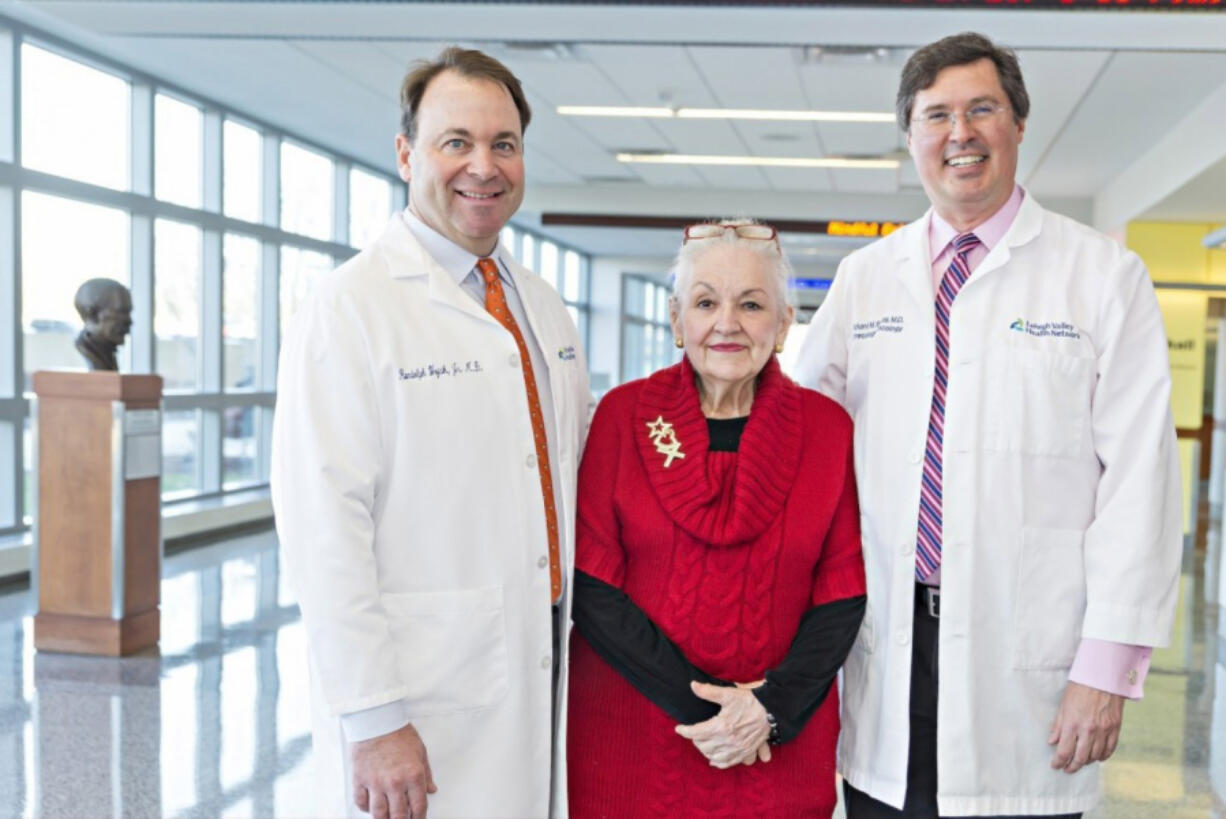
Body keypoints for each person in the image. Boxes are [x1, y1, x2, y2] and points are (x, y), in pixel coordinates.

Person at [795, 32, 1182, 819]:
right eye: (936, 115)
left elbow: (1142, 480)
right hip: (891, 644)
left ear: (1018, 124)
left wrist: (1104, 670)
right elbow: (796, 432)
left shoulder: (1102, 276)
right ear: (910, 136)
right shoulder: (867, 278)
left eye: (982, 110)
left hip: (1029, 659)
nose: (960, 133)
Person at [270, 47, 590, 819]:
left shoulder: (543, 306)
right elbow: (323, 526)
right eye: (457, 142)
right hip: (419, 693)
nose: (483, 166)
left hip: (539, 662)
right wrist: (375, 717)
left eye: (503, 144)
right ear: (408, 153)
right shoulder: (351, 306)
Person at [567, 219, 867, 818]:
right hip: (633, 738)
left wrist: (766, 711)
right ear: (678, 320)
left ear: (783, 325)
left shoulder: (828, 430)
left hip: (776, 744)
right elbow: (593, 585)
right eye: (706, 302)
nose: (726, 323)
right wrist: (714, 716)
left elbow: (842, 592)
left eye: (751, 304)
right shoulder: (623, 417)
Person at [73, 278, 132, 371]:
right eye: (121, 312)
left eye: (128, 312)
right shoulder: (85, 359)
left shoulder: (108, 357)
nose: (129, 321)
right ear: (93, 314)